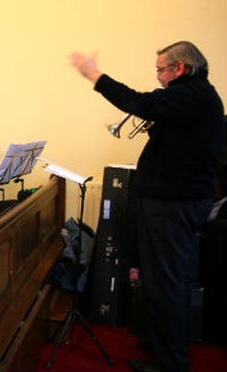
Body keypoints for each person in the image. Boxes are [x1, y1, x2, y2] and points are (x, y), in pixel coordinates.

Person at [70, 41, 225, 372]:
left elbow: (136, 101)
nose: (157, 76)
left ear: (179, 68)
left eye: (160, 69)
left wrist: (94, 75)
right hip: (179, 202)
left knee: (165, 285)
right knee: (172, 281)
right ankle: (164, 345)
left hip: (172, 205)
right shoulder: (196, 96)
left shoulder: (189, 95)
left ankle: (170, 362)